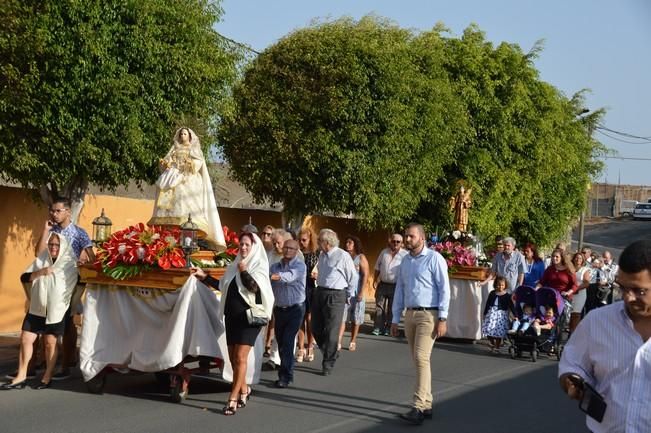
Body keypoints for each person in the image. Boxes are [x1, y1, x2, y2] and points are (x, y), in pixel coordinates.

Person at [558, 239, 651, 432]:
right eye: (623, 287)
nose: (628, 297)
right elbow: (572, 364)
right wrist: (571, 381)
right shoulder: (597, 321)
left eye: (639, 290)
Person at [191, 232, 273, 416]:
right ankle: (245, 390)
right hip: (232, 318)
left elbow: (254, 288)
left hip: (250, 320)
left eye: (247, 245)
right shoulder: (234, 265)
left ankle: (232, 399)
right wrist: (204, 277)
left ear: (254, 247)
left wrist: (243, 271)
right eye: (241, 245)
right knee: (233, 359)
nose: (243, 248)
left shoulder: (258, 265)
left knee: (241, 358)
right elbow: (223, 286)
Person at [1, 233, 78, 390]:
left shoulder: (70, 263)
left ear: (63, 246)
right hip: (37, 308)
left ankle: (47, 376)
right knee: (25, 339)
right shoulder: (42, 259)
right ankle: (21, 376)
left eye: (57, 245)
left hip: (57, 310)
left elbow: (80, 281)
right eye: (51, 245)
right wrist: (40, 273)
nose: (53, 248)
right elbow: (25, 278)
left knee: (50, 343)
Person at [391, 223, 450, 425]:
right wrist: (394, 318)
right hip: (410, 314)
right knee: (418, 360)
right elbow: (400, 290)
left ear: (422, 238)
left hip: (429, 314)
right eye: (406, 236)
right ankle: (427, 404)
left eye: (411, 237)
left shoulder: (435, 259)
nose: (407, 240)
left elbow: (444, 289)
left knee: (421, 357)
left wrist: (443, 317)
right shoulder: (405, 261)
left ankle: (417, 406)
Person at [33, 197, 94, 381]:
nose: (54, 214)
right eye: (52, 210)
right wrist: (45, 230)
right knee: (44, 320)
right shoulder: (51, 231)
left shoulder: (79, 233)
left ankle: (67, 362)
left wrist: (83, 261)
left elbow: (92, 257)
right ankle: (44, 360)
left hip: (69, 282)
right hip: (48, 281)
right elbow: (38, 253)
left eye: (58, 210)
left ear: (68, 211)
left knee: (67, 321)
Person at [148, 127, 226, 251]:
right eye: (181, 134)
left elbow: (199, 161)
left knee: (185, 199)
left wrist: (190, 164)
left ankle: (188, 230)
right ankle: (168, 232)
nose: (183, 136)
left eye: (185, 134)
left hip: (187, 176)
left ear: (189, 136)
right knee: (165, 191)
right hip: (173, 175)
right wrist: (165, 163)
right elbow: (168, 159)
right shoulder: (174, 148)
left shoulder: (193, 148)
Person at [312, 229, 358, 376]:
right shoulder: (322, 255)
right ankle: (330, 352)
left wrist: (348, 295)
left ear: (326, 242)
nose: (318, 243)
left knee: (332, 331)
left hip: (336, 294)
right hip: (320, 291)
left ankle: (328, 363)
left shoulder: (342, 256)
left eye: (319, 241)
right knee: (316, 328)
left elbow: (353, 277)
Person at [269, 239, 306, 388]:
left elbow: (289, 277)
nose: (288, 250)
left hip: (295, 308)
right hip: (279, 308)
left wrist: (272, 276)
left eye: (291, 248)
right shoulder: (275, 266)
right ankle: (286, 369)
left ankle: (285, 376)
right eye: (286, 248)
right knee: (281, 342)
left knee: (288, 341)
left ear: (296, 251)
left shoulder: (300, 266)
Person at [338, 235, 369, 352]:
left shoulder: (361, 258)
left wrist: (361, 291)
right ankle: (339, 341)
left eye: (350, 242)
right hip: (344, 291)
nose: (347, 244)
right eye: (346, 242)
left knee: (356, 317)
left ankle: (353, 340)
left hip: (356, 292)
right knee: (342, 317)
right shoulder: (343, 257)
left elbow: (365, 274)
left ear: (355, 244)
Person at [372, 233, 408, 336]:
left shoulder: (405, 255)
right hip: (382, 284)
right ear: (390, 241)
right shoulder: (384, 252)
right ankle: (378, 328)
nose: (395, 243)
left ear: (401, 243)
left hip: (396, 286)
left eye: (398, 242)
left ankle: (388, 328)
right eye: (393, 241)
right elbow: (377, 267)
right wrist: (375, 279)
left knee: (392, 308)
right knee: (379, 306)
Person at [296, 227, 318, 363]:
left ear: (310, 239)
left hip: (311, 288)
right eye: (300, 240)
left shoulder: (317, 253)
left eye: (304, 240)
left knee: (309, 319)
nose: (302, 242)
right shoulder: (297, 253)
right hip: (299, 288)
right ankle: (300, 348)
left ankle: (310, 346)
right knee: (300, 319)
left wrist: (317, 275)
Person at [481, 276, 514, 353]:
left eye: (502, 285)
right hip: (492, 313)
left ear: (505, 285)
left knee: (499, 332)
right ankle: (492, 343)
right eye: (499, 285)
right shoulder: (492, 293)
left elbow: (511, 306)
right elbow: (488, 303)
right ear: (495, 284)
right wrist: (485, 313)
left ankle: (497, 346)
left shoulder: (507, 295)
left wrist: (515, 315)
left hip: (501, 315)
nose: (500, 287)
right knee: (488, 329)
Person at [569, 252, 592, 332]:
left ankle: (573, 333)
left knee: (575, 314)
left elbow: (586, 283)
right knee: (567, 314)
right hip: (569, 294)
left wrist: (576, 289)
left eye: (580, 258)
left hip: (579, 295)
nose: (578, 259)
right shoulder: (569, 268)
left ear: (583, 260)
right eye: (576, 257)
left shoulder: (585, 270)